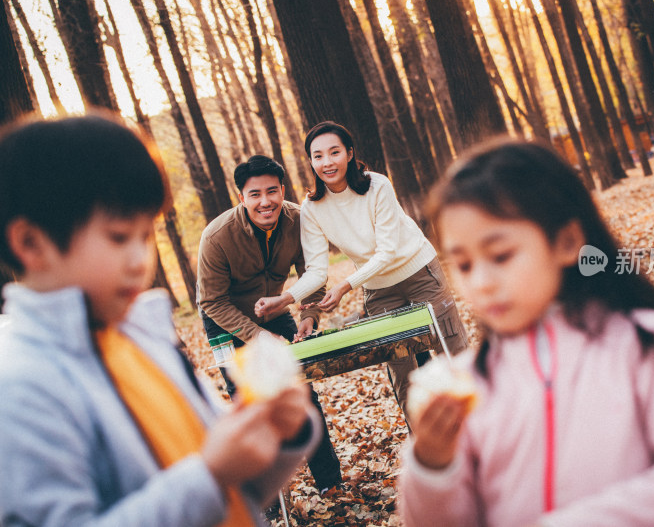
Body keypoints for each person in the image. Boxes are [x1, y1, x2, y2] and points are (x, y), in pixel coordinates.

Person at [0, 113, 321, 526]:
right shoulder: (20, 385)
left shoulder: (145, 340)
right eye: (118, 237)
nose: (140, 262)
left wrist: (281, 436)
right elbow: (208, 479)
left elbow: (237, 492)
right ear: (31, 243)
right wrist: (209, 475)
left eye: (145, 235)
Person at [399, 139, 654, 526]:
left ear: (567, 242)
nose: (482, 282)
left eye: (501, 256)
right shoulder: (472, 383)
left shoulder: (646, 340)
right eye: (464, 264)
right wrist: (431, 467)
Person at [254, 121, 470, 417]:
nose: (327, 162)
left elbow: (387, 252)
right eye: (318, 156)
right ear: (310, 161)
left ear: (350, 153)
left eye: (334, 152)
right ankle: (428, 446)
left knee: (453, 351)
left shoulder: (377, 185)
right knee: (402, 371)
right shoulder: (312, 208)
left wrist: (344, 287)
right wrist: (285, 299)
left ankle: (485, 429)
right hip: (379, 290)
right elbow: (317, 270)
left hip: (420, 273)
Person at [196, 155, 341, 493]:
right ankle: (263, 498)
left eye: (272, 192)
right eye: (255, 194)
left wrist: (309, 314)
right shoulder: (216, 237)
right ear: (242, 198)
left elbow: (313, 273)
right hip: (224, 319)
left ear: (283, 190)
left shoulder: (298, 220)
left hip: (275, 309)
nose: (265, 202)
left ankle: (330, 484)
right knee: (247, 404)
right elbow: (211, 301)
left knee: (301, 392)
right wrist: (259, 338)